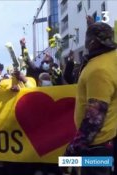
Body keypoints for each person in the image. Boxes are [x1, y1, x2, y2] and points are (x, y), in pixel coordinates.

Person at [64, 22, 117, 175]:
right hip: (108, 141)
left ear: (91, 42)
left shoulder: (98, 70)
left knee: (65, 165)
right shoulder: (112, 58)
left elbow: (94, 118)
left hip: (96, 147)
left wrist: (72, 149)